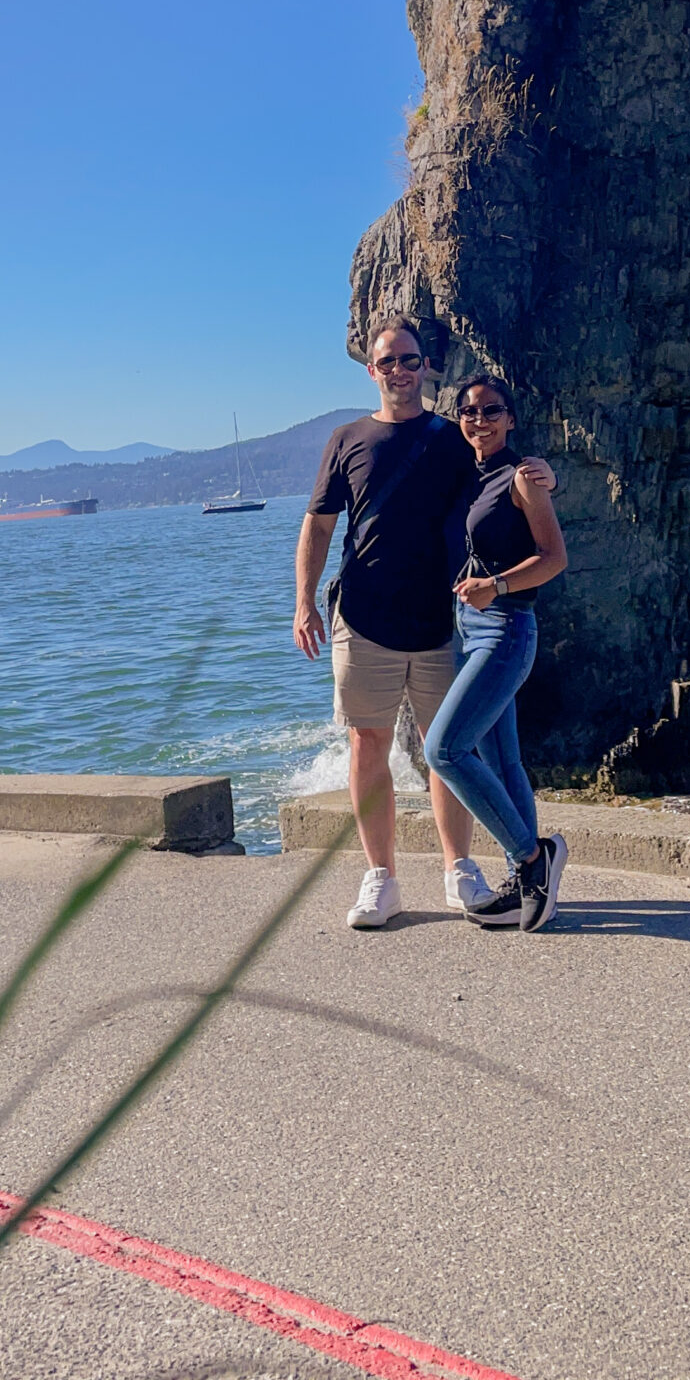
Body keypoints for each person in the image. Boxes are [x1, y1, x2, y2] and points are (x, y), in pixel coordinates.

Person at [294, 320, 554, 931]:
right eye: (388, 363)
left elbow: (503, 472)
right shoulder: (346, 439)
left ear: (425, 366)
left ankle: (458, 868)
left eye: (410, 361)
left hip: (445, 623)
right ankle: (380, 877)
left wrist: (548, 478)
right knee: (368, 743)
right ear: (372, 370)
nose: (400, 373)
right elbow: (320, 524)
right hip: (361, 618)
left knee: (446, 750)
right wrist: (303, 601)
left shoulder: (451, 438)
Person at [424, 374, 570, 932]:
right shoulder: (470, 475)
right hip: (469, 628)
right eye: (468, 412)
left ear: (511, 417)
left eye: (491, 411)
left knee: (444, 750)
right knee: (503, 762)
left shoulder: (522, 477)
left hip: (506, 628)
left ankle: (534, 858)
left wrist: (499, 586)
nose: (478, 420)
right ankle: (520, 881)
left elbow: (554, 558)